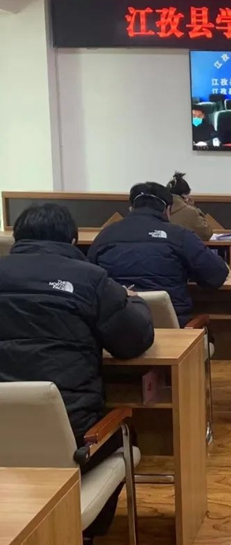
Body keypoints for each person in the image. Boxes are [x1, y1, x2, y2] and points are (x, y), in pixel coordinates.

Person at [0, 203, 154, 538]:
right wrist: (133, 301)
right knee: (126, 432)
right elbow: (133, 342)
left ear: (17, 237)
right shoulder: (90, 278)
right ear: (72, 240)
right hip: (71, 439)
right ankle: (84, 532)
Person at [88, 182, 229, 326]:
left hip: (117, 328)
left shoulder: (105, 236)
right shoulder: (180, 236)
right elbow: (217, 276)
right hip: (172, 327)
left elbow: (90, 280)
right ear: (167, 210)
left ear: (131, 208)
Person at [166, 172, 213, 241]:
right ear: (185, 196)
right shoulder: (190, 212)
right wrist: (194, 208)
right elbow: (206, 234)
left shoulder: (158, 209)